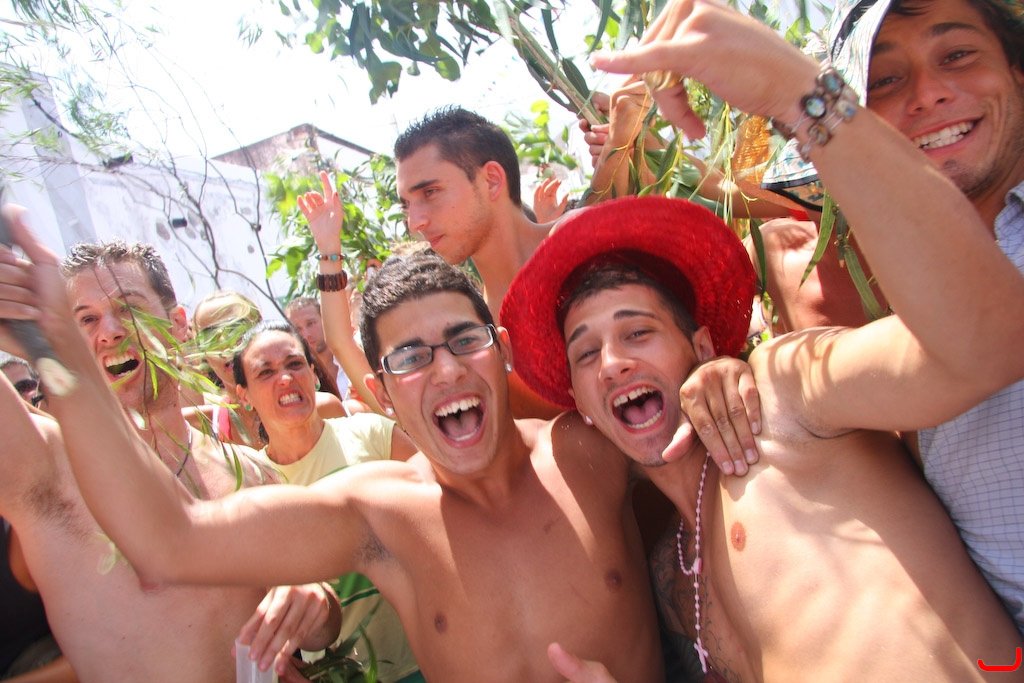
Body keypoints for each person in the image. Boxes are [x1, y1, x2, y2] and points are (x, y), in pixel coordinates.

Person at [3, 221, 665, 682]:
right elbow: (169, 540)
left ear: (504, 350)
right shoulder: (379, 513)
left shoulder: (593, 451)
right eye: (409, 358)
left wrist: (711, 384)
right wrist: (52, 353)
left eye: (465, 340)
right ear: (378, 392)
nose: (446, 370)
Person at [504, 192, 1023, 680]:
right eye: (586, 353)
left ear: (703, 348)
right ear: (581, 404)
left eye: (637, 332)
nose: (612, 363)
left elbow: (979, 342)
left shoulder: (781, 394)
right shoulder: (669, 575)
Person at [671, 0, 1024, 632]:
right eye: (887, 79)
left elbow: (990, 340)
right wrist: (740, 373)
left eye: (957, 55)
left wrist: (797, 93)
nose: (929, 93)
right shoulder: (902, 266)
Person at [0, 227, 339, 682]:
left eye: (129, 309)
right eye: (87, 320)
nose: (110, 333)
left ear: (177, 324)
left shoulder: (252, 472)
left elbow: (323, 628)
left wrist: (312, 598)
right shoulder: (48, 466)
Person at [231, 320, 421, 682]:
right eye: (265, 372)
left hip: (428, 660)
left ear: (313, 374)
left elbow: (447, 522)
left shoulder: (374, 436)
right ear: (244, 396)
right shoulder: (252, 485)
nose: (285, 378)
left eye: (294, 364)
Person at [190, 290, 350, 448]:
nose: (227, 344)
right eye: (210, 337)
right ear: (201, 351)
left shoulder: (321, 410)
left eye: (236, 328)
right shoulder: (200, 430)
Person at [284, 295, 366, 414]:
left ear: (324, 320)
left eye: (311, 323)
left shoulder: (356, 354)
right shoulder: (299, 378)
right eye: (298, 329)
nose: (306, 334)